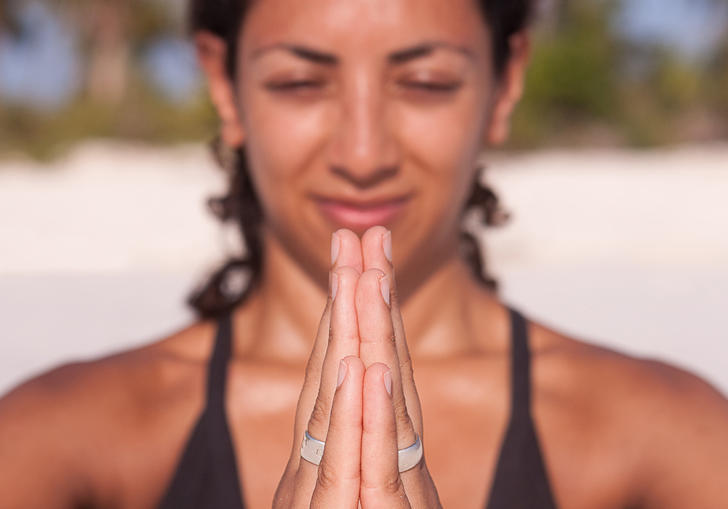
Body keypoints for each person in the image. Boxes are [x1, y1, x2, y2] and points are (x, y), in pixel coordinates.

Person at [1, 0, 727, 508]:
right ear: (224, 84)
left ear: (506, 82)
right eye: (300, 82)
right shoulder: (57, 439)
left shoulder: (668, 437)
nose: (362, 152)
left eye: (424, 83)